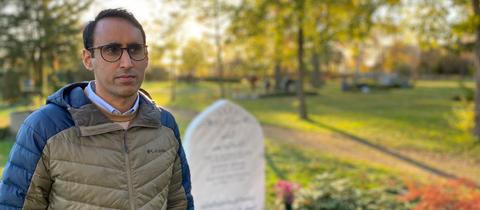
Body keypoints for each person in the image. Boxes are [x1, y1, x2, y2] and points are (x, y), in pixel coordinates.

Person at [0, 8, 193, 209]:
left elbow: (180, 202)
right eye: (111, 50)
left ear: (146, 57)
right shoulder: (45, 128)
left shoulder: (165, 125)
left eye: (135, 49)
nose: (126, 63)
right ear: (87, 59)